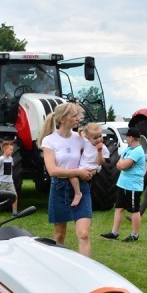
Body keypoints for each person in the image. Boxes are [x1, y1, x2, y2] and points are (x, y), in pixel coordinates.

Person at [39, 102, 94, 256]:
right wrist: (79, 172)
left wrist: (92, 170)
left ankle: (86, 271)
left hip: (81, 188)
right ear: (63, 119)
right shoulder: (49, 140)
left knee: (83, 233)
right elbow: (53, 171)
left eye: (78, 115)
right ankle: (58, 268)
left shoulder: (79, 138)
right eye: (74, 115)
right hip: (59, 188)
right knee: (59, 235)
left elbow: (91, 157)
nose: (78, 118)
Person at [101, 127, 146, 242]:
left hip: (133, 186)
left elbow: (123, 165)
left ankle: (135, 235)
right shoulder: (128, 149)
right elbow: (119, 164)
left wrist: (122, 164)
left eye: (127, 136)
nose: (126, 138)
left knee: (134, 210)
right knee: (119, 208)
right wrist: (122, 164)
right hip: (122, 184)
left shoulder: (138, 151)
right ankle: (114, 233)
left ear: (131, 138)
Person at [69, 123, 108, 207]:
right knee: (71, 174)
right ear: (88, 138)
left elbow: (100, 162)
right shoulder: (86, 143)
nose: (99, 139)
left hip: (93, 167)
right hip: (82, 166)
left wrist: (99, 151)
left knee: (80, 177)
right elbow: (80, 137)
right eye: (95, 138)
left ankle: (79, 194)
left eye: (100, 136)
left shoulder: (103, 148)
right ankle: (77, 193)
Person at [0, 140, 19, 216]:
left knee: (14, 196)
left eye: (12, 150)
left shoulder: (11, 159)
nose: (12, 151)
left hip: (10, 182)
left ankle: (15, 212)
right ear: (5, 149)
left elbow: (10, 169)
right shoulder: (1, 159)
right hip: (1, 181)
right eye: (10, 149)